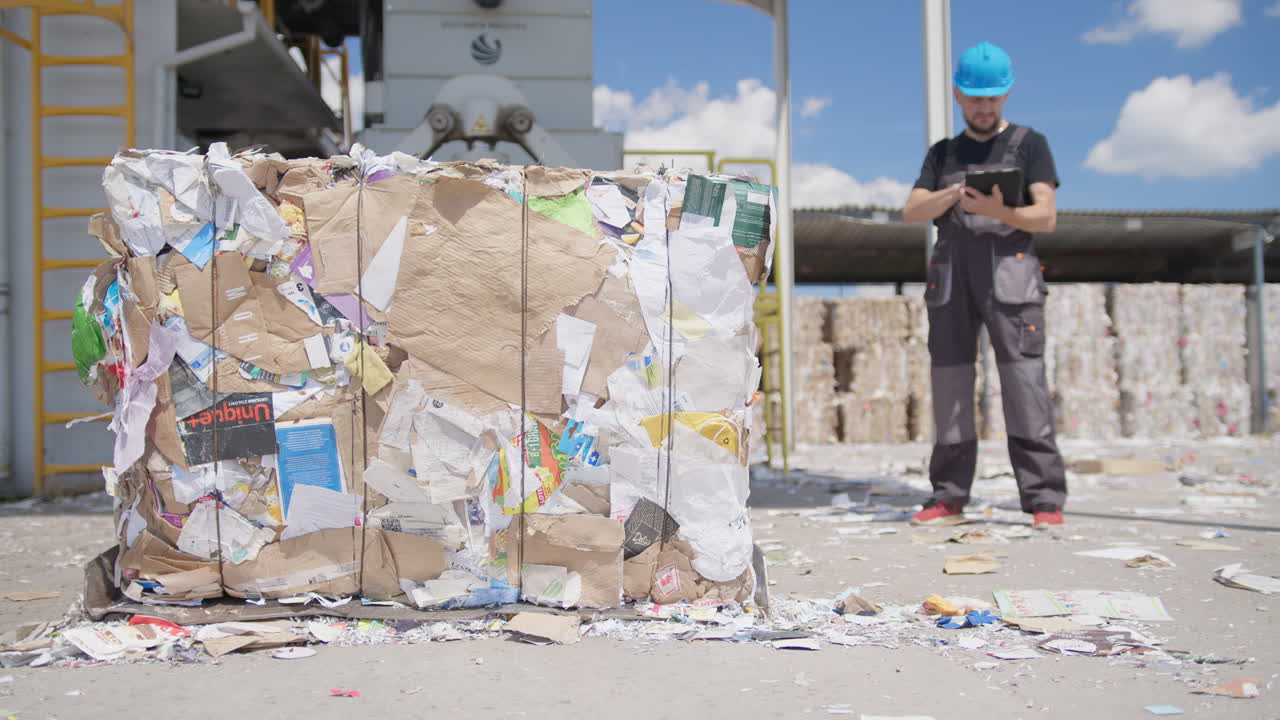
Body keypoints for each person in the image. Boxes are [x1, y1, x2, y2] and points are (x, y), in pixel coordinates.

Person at [900, 41, 1066, 529]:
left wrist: (997, 211)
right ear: (958, 95)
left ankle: (1043, 500)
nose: (984, 107)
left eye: (993, 98)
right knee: (949, 388)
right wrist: (955, 193)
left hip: (1011, 278)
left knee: (1025, 386)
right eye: (975, 98)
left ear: (1007, 94)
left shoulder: (1030, 144)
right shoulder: (943, 153)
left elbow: (1046, 217)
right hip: (951, 280)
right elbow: (912, 210)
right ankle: (948, 496)